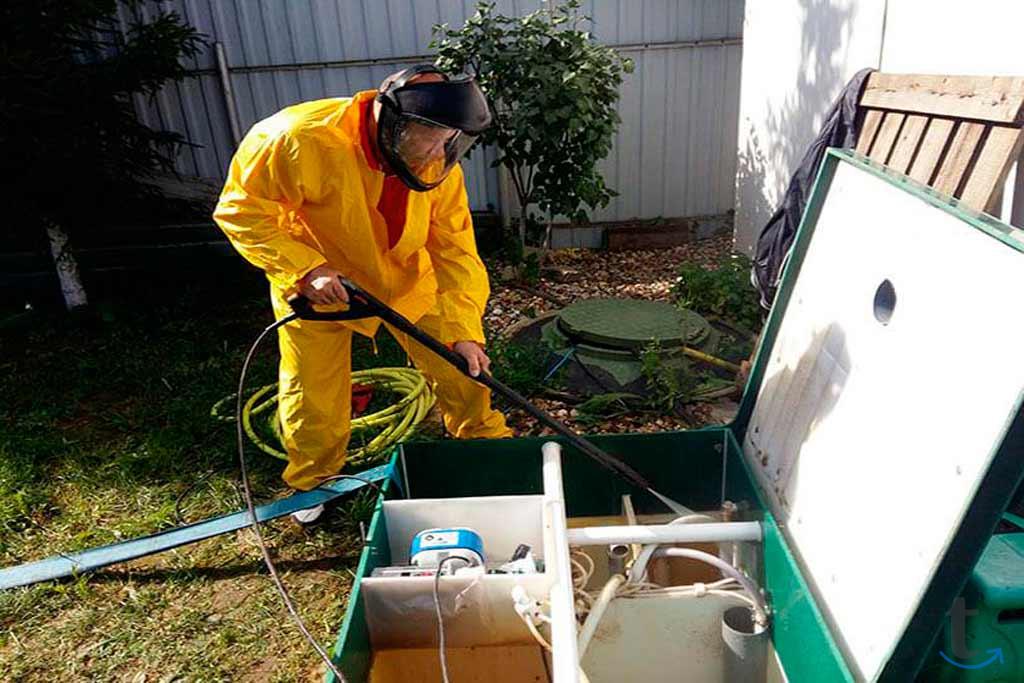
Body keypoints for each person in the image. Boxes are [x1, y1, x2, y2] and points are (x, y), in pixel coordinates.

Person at [213, 64, 512, 523]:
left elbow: (455, 251)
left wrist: (465, 330)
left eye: (449, 141)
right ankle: (311, 482)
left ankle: (485, 443)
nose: (439, 152)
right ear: (395, 125)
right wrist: (304, 268)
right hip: (320, 288)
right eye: (430, 139)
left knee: (462, 367)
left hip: (411, 280)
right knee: (314, 392)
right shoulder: (295, 139)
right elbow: (241, 211)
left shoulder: (437, 161)